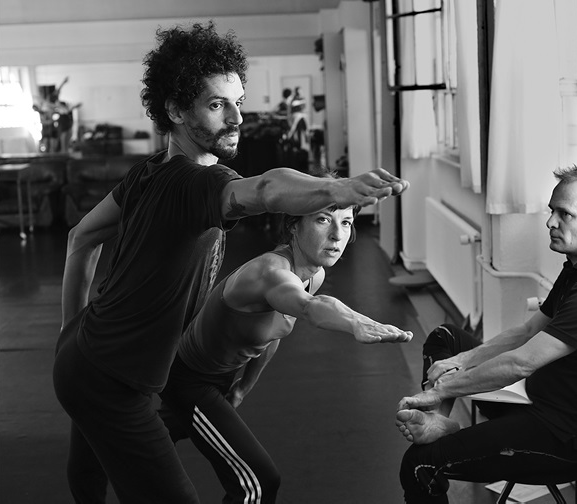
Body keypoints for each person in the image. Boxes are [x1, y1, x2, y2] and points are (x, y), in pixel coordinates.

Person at [53, 21, 408, 504]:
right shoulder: (191, 183)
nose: (237, 117)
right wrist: (335, 188)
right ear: (175, 109)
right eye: (218, 105)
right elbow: (265, 189)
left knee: (89, 478)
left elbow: (80, 238)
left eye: (239, 101)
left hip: (85, 357)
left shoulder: (148, 172)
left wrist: (68, 333)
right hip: (112, 384)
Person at [158, 171, 413, 503]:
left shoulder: (313, 274)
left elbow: (273, 333)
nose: (337, 235)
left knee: (147, 442)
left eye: (346, 222)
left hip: (220, 377)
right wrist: (354, 322)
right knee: (258, 482)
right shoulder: (270, 273)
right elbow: (309, 307)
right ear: (293, 225)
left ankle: (104, 449)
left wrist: (243, 388)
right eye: (323, 220)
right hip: (189, 381)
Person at [395, 164, 577, 504]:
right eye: (551, 211)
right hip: (536, 400)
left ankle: (436, 419)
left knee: (419, 464)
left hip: (559, 437)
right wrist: (462, 360)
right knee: (446, 338)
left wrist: (442, 388)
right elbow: (528, 330)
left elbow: (521, 363)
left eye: (565, 214)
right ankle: (438, 422)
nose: (550, 222)